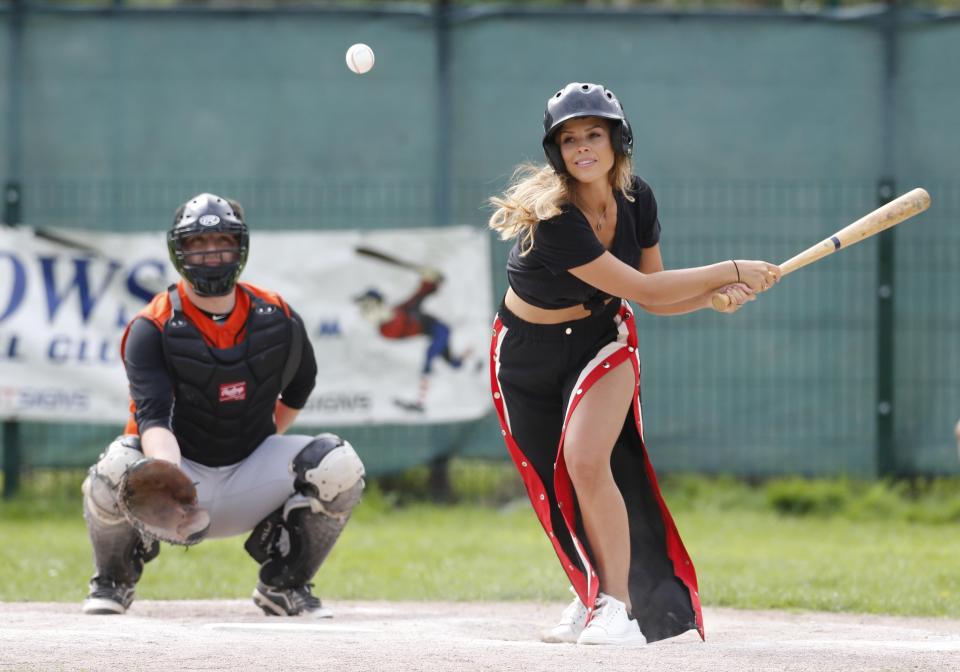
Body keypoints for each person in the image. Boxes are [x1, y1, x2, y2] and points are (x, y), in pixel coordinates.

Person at [487, 82, 780, 646]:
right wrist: (730, 269)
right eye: (569, 139)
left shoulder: (636, 198)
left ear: (617, 140)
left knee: (588, 461)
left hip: (601, 338)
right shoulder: (555, 218)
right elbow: (642, 284)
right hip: (525, 354)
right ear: (557, 152)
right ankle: (593, 593)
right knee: (556, 480)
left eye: (594, 134)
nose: (582, 148)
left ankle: (619, 608)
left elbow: (651, 297)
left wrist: (714, 298)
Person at [81, 193, 365, 617]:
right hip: (175, 483)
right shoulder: (152, 325)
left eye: (221, 241)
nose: (211, 253)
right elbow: (152, 419)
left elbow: (299, 388)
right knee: (112, 469)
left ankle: (283, 585)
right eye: (197, 243)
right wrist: (169, 481)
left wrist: (266, 444)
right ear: (179, 252)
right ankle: (113, 581)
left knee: (339, 465)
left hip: (247, 476)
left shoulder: (277, 315)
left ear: (240, 247)